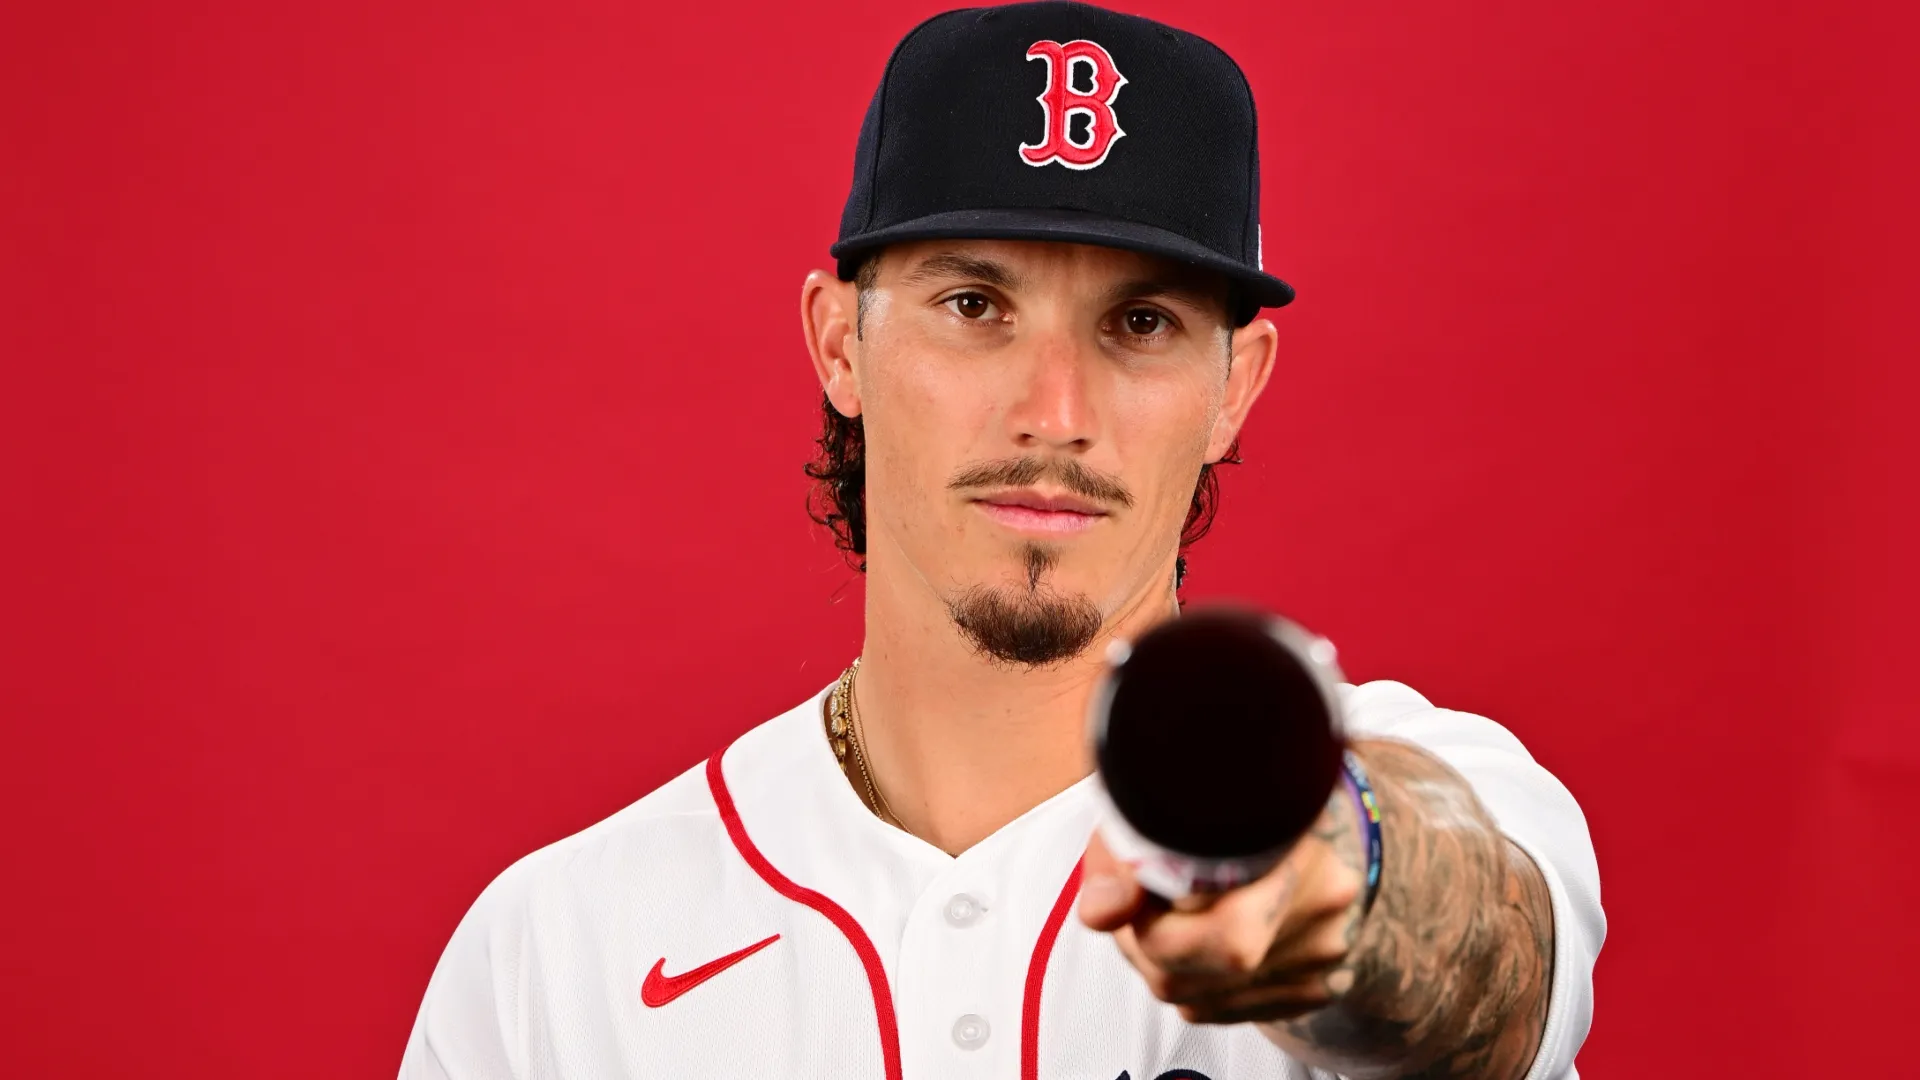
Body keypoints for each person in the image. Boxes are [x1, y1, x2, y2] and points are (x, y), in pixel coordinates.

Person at [399, 3, 1604, 1078]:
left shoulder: (1437, 786)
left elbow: (1477, 962)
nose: (1056, 414)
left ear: (1235, 384)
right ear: (840, 344)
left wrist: (1336, 899)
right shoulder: (557, 950)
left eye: (1139, 322)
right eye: (974, 306)